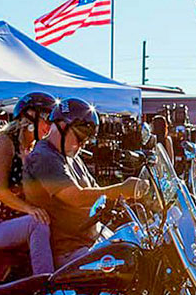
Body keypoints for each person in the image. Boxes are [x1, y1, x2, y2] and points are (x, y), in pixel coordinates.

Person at [23, 98, 144, 268]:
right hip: (70, 252)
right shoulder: (44, 157)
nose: (81, 145)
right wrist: (120, 189)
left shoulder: (71, 156)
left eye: (85, 141)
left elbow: (94, 191)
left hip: (91, 243)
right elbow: (75, 197)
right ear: (62, 126)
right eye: (80, 138)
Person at [0, 92, 57, 275]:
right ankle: (45, 285)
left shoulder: (33, 149)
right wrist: (30, 209)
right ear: (29, 117)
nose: (49, 127)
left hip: (16, 223)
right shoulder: (5, 143)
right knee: (38, 223)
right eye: (47, 119)